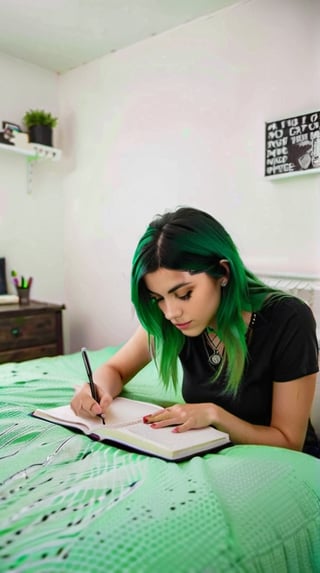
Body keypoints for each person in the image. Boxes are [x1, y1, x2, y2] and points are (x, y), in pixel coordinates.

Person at [71, 207, 320, 457]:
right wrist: (96, 389)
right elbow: (116, 369)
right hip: (207, 451)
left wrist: (214, 415)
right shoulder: (172, 320)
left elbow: (290, 443)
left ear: (223, 273)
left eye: (184, 294)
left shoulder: (289, 319)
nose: (170, 313)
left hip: (282, 462)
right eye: (158, 298)